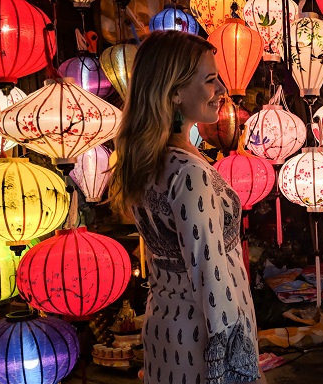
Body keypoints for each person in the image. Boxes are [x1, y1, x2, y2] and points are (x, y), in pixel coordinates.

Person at [109, 31, 262, 384]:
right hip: (202, 341)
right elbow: (211, 277)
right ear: (174, 91)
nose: (222, 89)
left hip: (166, 330)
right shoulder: (190, 173)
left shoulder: (151, 161)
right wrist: (241, 370)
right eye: (210, 80)